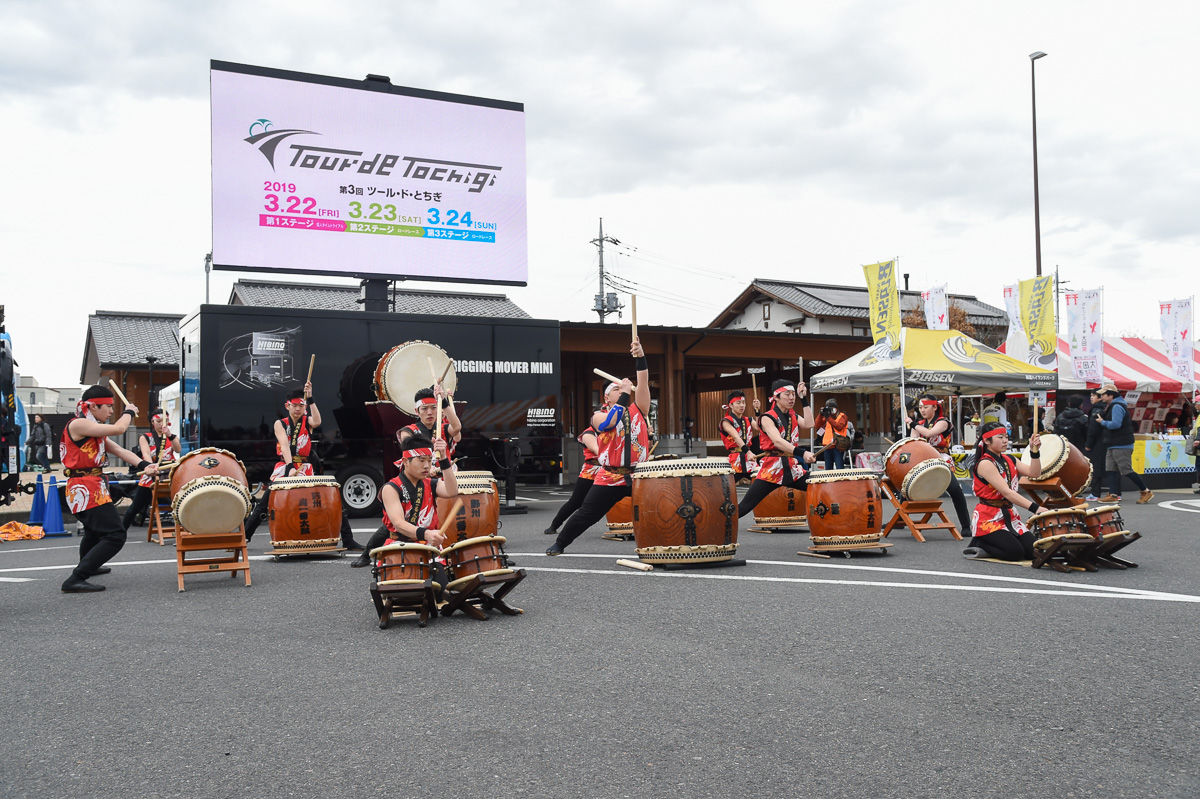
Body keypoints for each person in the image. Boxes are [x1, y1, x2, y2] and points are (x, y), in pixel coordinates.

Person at [546, 339, 650, 555]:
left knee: (657, 507)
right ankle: (561, 543)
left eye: (621, 388)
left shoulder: (638, 408)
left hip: (639, 474)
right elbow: (609, 423)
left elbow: (644, 382)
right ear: (607, 396)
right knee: (587, 513)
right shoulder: (598, 416)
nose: (622, 388)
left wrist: (640, 356)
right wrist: (624, 392)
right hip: (611, 476)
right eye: (616, 388)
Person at [60, 386, 160, 593]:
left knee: (93, 532)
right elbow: (119, 429)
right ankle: (77, 578)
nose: (112, 411)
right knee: (115, 535)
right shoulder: (79, 424)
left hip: (91, 485)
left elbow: (120, 450)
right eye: (108, 406)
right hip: (84, 488)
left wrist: (145, 466)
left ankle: (89, 566)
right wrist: (129, 412)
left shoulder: (93, 429)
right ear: (93, 406)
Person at [245, 384, 362, 549]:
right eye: (294, 405)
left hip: (305, 467)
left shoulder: (307, 422)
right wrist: (290, 467)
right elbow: (284, 446)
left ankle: (348, 539)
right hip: (285, 465)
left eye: (301, 405)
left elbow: (318, 421)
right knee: (266, 501)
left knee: (330, 501)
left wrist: (311, 397)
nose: (298, 409)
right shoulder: (280, 423)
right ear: (287, 406)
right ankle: (245, 537)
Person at [352, 435, 458, 567]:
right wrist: (427, 533)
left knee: (444, 581)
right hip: (400, 546)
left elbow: (452, 491)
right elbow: (399, 524)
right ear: (405, 461)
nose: (427, 466)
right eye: (421, 460)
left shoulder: (431, 484)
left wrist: (443, 459)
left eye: (430, 461)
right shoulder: (391, 488)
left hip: (427, 546)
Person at [963, 422, 1044, 560]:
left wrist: (1034, 451)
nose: (1005, 440)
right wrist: (1036, 508)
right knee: (1015, 553)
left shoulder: (1009, 459)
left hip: (1009, 516)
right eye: (1000, 437)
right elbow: (1007, 492)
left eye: (1006, 436)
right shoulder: (985, 463)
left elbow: (1034, 473)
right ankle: (980, 541)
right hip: (988, 518)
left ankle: (1001, 540)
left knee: (1033, 552)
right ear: (987, 441)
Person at [737, 379, 816, 518]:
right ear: (775, 397)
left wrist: (804, 400)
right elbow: (777, 441)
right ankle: (716, 528)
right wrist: (802, 453)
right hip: (772, 469)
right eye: (787, 394)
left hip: (792, 469)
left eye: (793, 394)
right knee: (744, 507)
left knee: (821, 485)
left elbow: (810, 424)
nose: (792, 397)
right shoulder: (767, 417)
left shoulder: (793, 415)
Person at [906, 394, 972, 533]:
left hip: (941, 459)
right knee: (905, 487)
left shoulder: (943, 422)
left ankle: (966, 525)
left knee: (955, 490)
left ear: (935, 407)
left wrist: (913, 424)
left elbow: (930, 433)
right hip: (923, 459)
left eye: (926, 407)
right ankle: (900, 519)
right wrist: (914, 426)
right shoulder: (918, 424)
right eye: (920, 407)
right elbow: (914, 443)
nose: (922, 410)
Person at [121, 409, 180, 530]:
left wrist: (170, 435)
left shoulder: (171, 436)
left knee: (178, 503)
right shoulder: (145, 437)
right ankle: (120, 530)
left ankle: (182, 531)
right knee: (135, 507)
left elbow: (178, 449)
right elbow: (146, 453)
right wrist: (150, 466)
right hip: (150, 473)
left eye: (166, 421)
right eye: (158, 421)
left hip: (168, 474)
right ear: (153, 421)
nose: (162, 423)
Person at [1095, 384, 1153, 504]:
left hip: (1121, 443)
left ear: (1111, 395)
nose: (1101, 396)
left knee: (1126, 469)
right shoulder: (1112, 405)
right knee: (1110, 469)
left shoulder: (1116, 406)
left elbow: (1116, 424)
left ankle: (1146, 490)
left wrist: (1102, 422)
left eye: (1103, 394)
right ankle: (1114, 494)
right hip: (1113, 443)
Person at [544, 422, 602, 536]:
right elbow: (598, 450)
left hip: (609, 470)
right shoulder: (589, 433)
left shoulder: (611, 432)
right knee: (576, 501)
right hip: (591, 471)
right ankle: (555, 524)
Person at [397, 383, 462, 464]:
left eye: (434, 408)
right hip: (421, 475)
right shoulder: (408, 431)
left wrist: (444, 402)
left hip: (444, 474)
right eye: (424, 408)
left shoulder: (444, 428)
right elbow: (411, 452)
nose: (429, 412)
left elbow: (456, 428)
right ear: (417, 411)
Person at [719, 390, 760, 481]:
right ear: (731, 405)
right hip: (735, 460)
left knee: (762, 480)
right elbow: (736, 437)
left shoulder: (748, 419)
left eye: (743, 403)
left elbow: (759, 427)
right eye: (738, 403)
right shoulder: (726, 421)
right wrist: (748, 452)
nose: (742, 405)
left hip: (749, 460)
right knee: (728, 488)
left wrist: (757, 411)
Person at [1083, 388, 1108, 501]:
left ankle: (1095, 493)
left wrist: (1088, 444)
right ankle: (1115, 492)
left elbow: (1092, 429)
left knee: (1095, 467)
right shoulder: (1105, 408)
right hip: (1105, 441)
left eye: (1093, 396)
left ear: (1100, 397)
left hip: (1097, 443)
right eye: (1091, 396)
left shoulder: (1096, 410)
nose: (1091, 398)